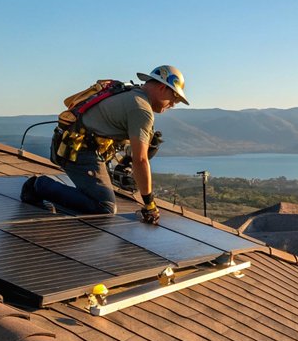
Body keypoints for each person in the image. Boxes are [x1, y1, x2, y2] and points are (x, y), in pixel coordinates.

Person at [21, 65, 189, 224]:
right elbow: (141, 160)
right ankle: (39, 186)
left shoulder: (129, 91)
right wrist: (149, 204)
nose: (173, 105)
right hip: (78, 153)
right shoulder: (141, 109)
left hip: (67, 146)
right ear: (162, 88)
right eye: (174, 98)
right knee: (104, 206)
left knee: (97, 196)